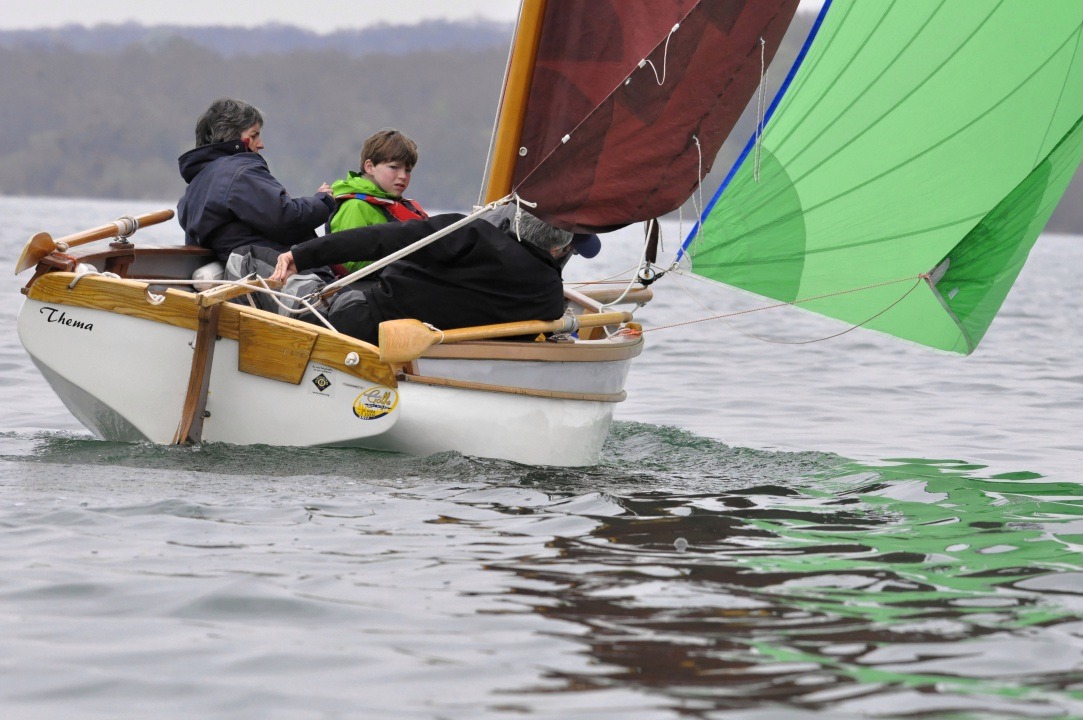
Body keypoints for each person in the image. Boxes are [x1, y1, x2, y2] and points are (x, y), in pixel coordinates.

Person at [268, 208, 573, 344]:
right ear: (559, 246)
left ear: (516, 217)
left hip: (365, 326)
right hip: (445, 363)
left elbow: (386, 239)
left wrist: (303, 254)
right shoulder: (549, 297)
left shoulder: (473, 235)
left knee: (261, 272)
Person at [177, 97, 336, 262]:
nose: (261, 144)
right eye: (254, 135)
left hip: (242, 273)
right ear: (233, 138)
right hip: (276, 273)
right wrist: (323, 201)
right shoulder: (240, 174)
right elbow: (286, 218)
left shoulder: (195, 188)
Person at [328, 129, 428, 274]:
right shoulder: (355, 205)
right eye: (394, 167)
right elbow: (349, 261)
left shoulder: (398, 204)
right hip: (370, 288)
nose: (403, 176)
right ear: (370, 167)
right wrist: (406, 260)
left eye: (408, 170)